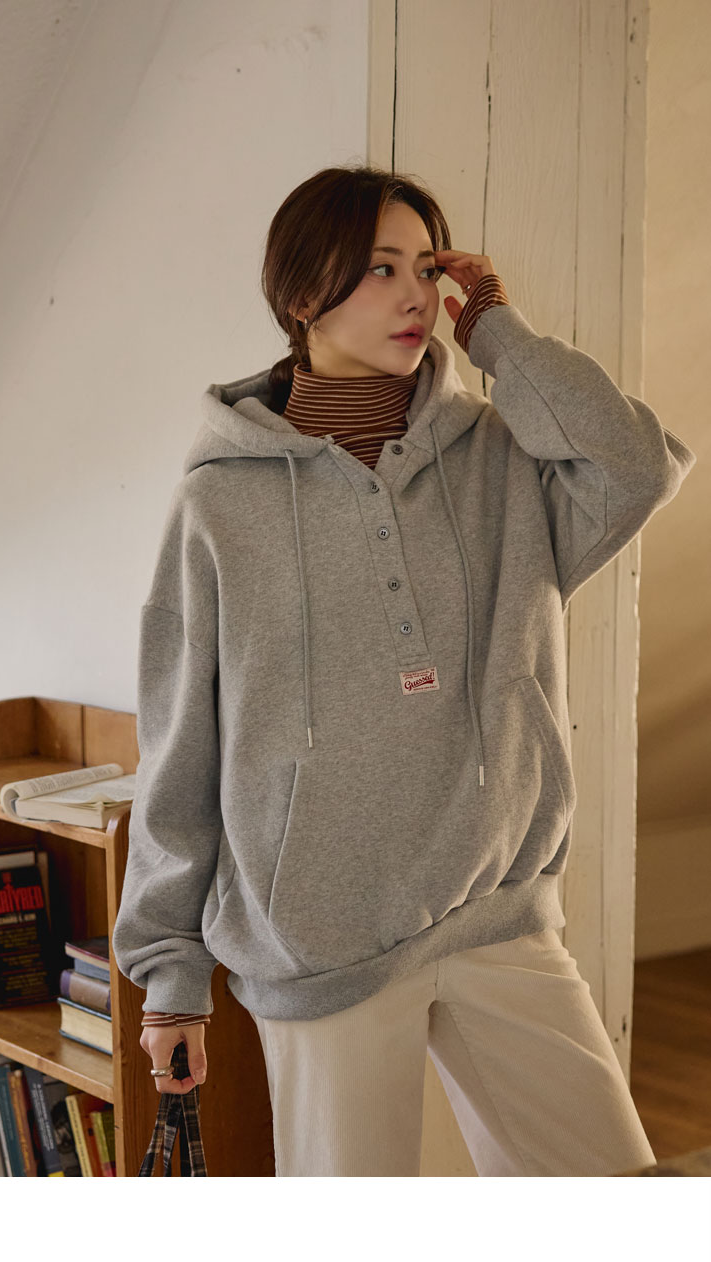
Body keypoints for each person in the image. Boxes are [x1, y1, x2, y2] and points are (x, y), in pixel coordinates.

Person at [112, 163, 696, 1176]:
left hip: (496, 911)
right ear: (304, 293)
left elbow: (637, 467)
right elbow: (180, 744)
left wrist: (500, 335)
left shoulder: (502, 462)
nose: (415, 294)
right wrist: (170, 975)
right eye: (380, 268)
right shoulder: (219, 505)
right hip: (320, 942)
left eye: (426, 266)